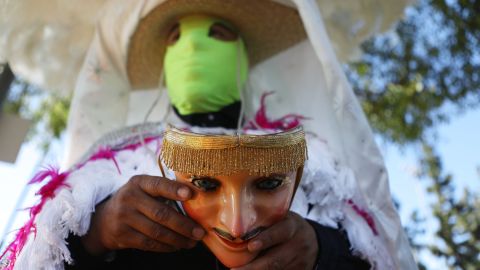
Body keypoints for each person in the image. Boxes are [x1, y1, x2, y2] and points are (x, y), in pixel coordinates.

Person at [0, 1, 417, 269]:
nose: (195, 49)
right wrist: (98, 231)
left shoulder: (318, 165)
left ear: (242, 52)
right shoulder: (103, 174)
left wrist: (320, 249)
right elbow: (39, 257)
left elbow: (374, 253)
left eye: (216, 34)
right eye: (176, 38)